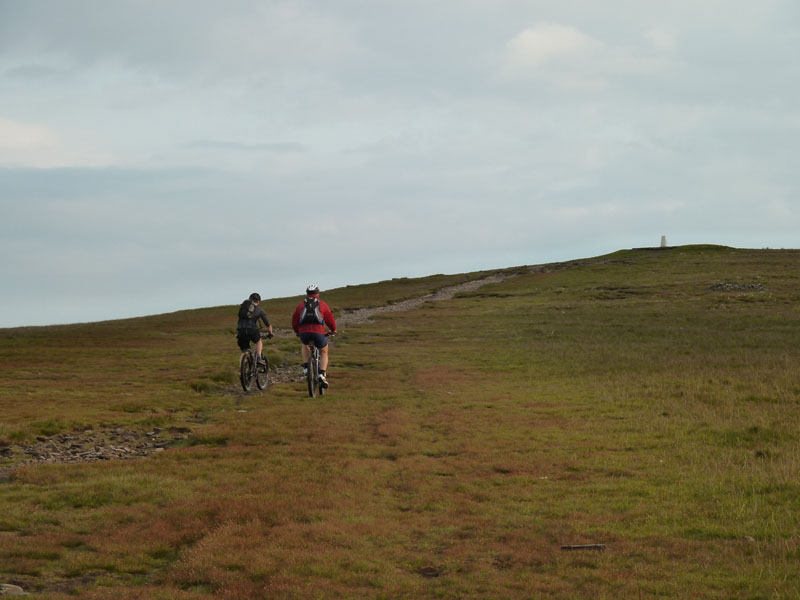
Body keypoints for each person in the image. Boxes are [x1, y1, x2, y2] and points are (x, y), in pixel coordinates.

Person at [291, 284, 337, 388]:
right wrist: (333, 330)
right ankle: (322, 373)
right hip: (319, 332)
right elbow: (330, 319)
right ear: (318, 294)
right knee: (324, 351)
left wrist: (297, 331)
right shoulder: (323, 305)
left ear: (307, 294)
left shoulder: (301, 305)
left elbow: (294, 320)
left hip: (304, 333)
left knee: (304, 344)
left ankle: (307, 367)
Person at [237, 292, 273, 365]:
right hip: (252, 329)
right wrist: (270, 333)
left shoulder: (243, 308)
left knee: (245, 351)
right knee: (258, 341)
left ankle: (242, 372)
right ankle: (259, 357)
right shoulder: (259, 310)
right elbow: (268, 325)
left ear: (249, 299)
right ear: (258, 302)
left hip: (241, 330)